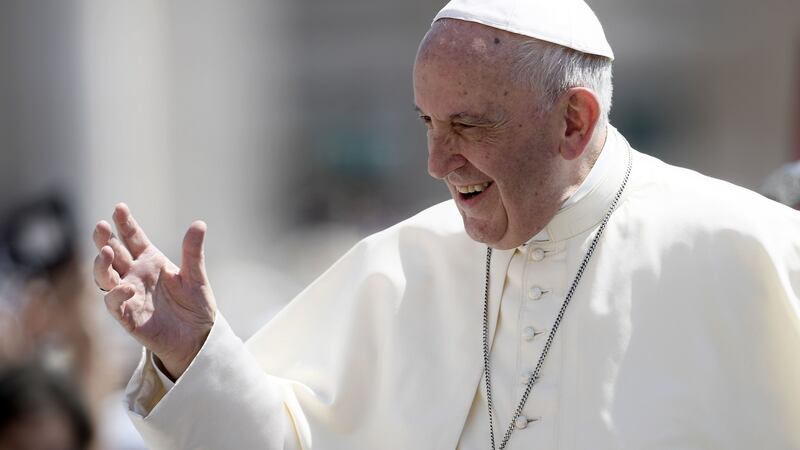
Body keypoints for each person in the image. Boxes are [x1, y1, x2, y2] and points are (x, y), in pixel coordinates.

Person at [92, 0, 800, 448]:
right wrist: (197, 359)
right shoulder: (401, 266)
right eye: (427, 123)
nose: (435, 161)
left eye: (466, 125)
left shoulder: (755, 251)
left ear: (574, 122)